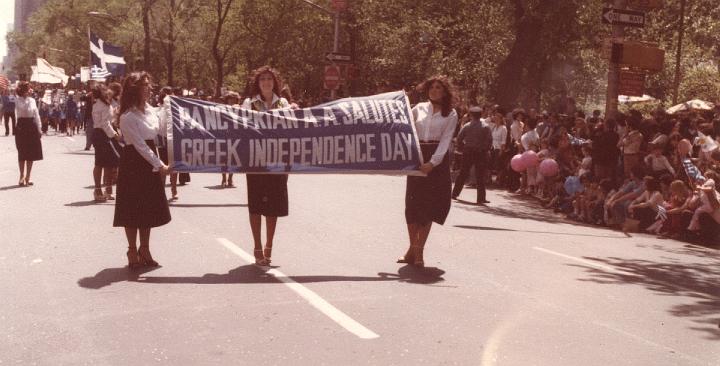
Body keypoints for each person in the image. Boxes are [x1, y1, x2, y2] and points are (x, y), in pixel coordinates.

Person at [113, 72, 171, 268]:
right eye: (144, 85)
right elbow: (140, 146)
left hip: (149, 160)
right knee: (131, 209)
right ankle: (131, 249)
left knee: (147, 208)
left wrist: (170, 110)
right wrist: (159, 165)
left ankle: (144, 248)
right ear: (134, 89)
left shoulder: (151, 111)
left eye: (149, 84)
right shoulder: (127, 116)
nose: (148, 88)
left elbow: (162, 131)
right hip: (134, 163)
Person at [398, 76, 457, 267]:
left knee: (428, 207)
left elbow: (446, 141)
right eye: (431, 87)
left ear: (445, 91)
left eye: (438, 88)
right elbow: (406, 129)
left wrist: (432, 163)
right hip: (417, 156)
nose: (434, 91)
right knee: (412, 205)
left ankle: (418, 252)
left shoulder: (451, 114)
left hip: (436, 161)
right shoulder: (418, 109)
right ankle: (412, 248)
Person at [241, 66, 291, 266]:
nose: (266, 82)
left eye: (269, 79)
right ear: (257, 83)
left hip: (277, 160)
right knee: (256, 205)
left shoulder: (283, 103)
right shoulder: (249, 103)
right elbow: (242, 128)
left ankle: (269, 244)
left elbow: (289, 130)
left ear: (275, 82)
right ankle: (257, 246)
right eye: (262, 79)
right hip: (256, 161)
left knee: (273, 206)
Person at [452, 105, 492, 204]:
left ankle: (454, 193)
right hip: (480, 153)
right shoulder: (485, 127)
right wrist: (485, 150)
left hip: (468, 151)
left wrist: (462, 148)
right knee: (480, 175)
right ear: (481, 115)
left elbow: (459, 138)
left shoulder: (467, 126)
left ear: (471, 115)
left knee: (463, 173)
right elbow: (489, 141)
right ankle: (481, 198)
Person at [92, 85, 121, 202]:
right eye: (107, 93)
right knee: (100, 162)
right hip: (102, 134)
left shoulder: (103, 104)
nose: (110, 95)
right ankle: (98, 190)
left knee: (109, 162)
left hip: (103, 134)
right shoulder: (103, 105)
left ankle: (108, 189)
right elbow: (105, 123)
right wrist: (115, 134)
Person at [14, 82, 43, 186]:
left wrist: (39, 129)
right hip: (21, 126)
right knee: (22, 152)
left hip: (32, 126)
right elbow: (22, 109)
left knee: (31, 153)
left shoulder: (32, 100)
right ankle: (21, 176)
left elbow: (36, 115)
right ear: (23, 90)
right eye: (28, 89)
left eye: (30, 88)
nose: (30, 90)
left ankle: (28, 177)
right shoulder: (17, 100)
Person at [221, 91, 241, 188]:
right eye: (230, 99)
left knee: (234, 159)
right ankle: (224, 178)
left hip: (235, 137)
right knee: (224, 159)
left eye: (233, 99)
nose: (231, 101)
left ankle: (230, 178)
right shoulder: (222, 109)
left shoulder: (239, 109)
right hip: (224, 136)